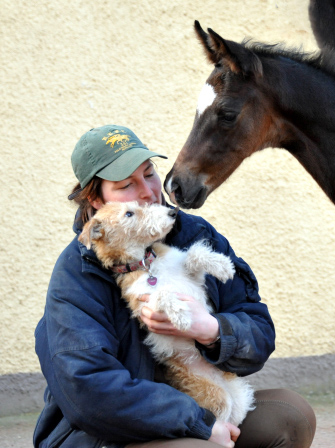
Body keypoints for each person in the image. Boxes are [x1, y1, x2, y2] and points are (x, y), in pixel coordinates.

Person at [34, 125, 316, 448]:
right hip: (107, 435)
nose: (148, 192)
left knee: (293, 416)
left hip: (200, 402)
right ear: (96, 200)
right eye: (126, 184)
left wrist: (212, 330)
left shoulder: (194, 235)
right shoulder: (75, 273)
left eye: (149, 173)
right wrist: (199, 423)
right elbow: (88, 391)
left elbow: (259, 329)